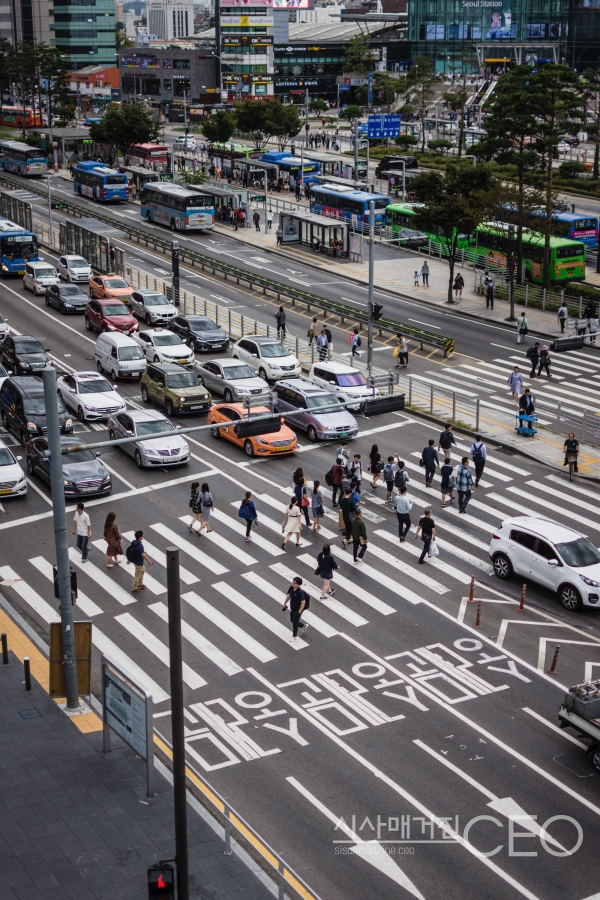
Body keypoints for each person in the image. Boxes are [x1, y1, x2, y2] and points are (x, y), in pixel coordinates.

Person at [282, 576, 308, 642]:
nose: (293, 584)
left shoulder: (300, 592)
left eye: (295, 583)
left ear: (299, 584)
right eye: (293, 582)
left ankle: (294, 636)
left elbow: (303, 602)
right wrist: (285, 603)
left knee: (295, 623)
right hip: (292, 608)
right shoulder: (291, 588)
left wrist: (300, 611)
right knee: (292, 620)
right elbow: (289, 595)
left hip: (297, 610)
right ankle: (303, 626)